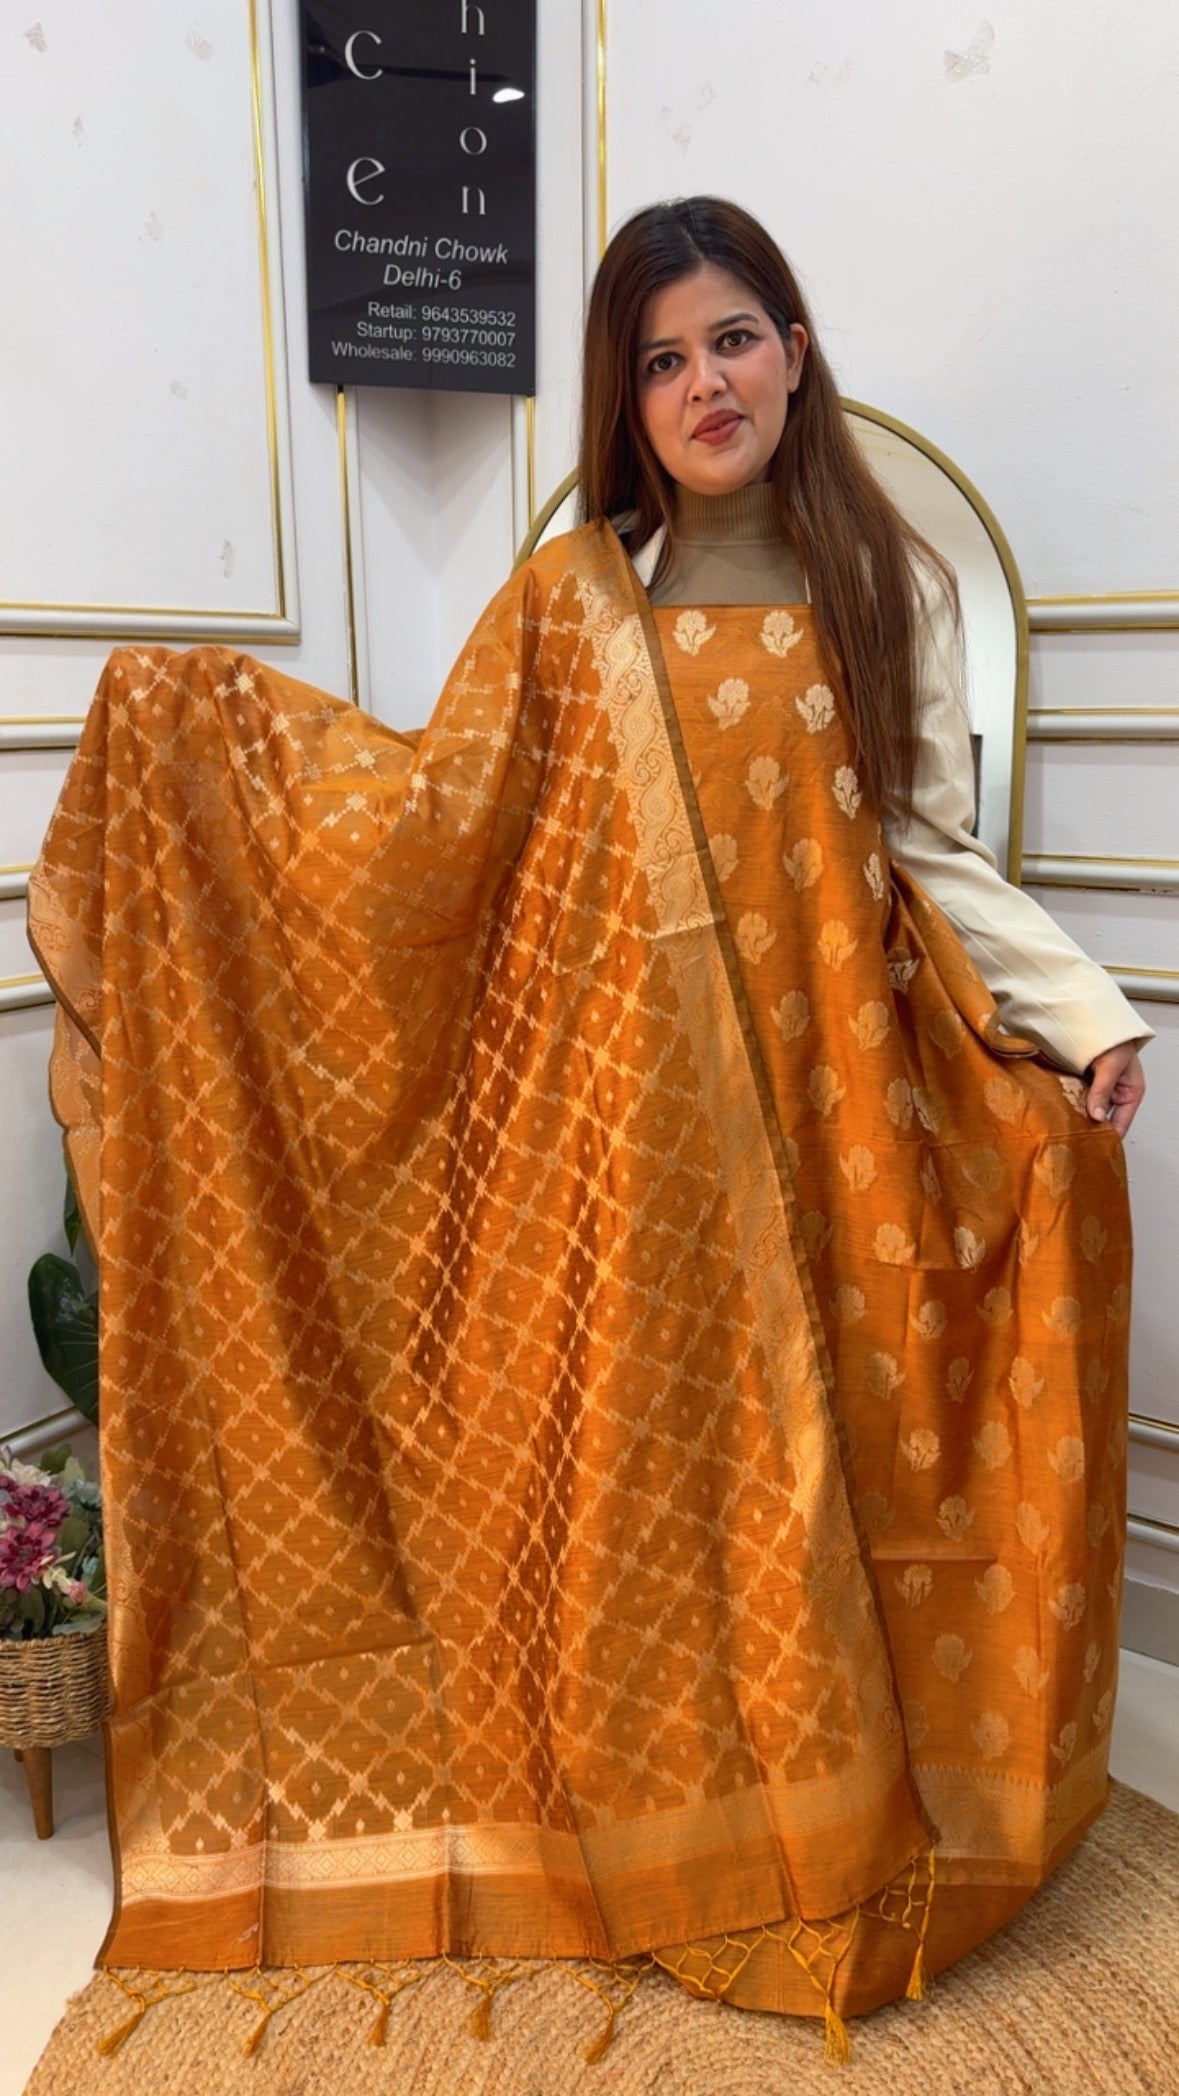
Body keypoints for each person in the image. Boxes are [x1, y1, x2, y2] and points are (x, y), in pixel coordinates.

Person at [29, 197, 1148, 2057]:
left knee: (846, 1459)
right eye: (660, 360)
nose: (706, 384)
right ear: (623, 402)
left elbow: (926, 847)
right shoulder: (573, 603)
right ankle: (674, 1818)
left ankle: (842, 1816)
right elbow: (435, 825)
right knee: (669, 1478)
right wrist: (196, 720)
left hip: (836, 1111)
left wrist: (1083, 1017)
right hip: (627, 1127)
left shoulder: (888, 590)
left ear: (795, 351)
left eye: (734, 339)